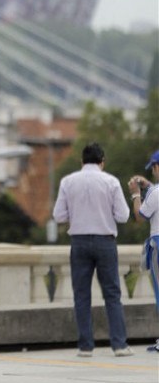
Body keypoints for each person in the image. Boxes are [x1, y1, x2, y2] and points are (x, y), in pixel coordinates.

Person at [52, 142, 133, 357]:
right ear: (102, 162)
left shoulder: (67, 182)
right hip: (105, 241)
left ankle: (85, 346)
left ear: (81, 161)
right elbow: (123, 216)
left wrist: (78, 214)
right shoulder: (111, 182)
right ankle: (119, 345)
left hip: (78, 241)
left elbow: (58, 216)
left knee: (81, 294)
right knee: (112, 294)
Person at [128, 149, 159, 352]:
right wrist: (148, 186)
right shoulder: (155, 190)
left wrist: (136, 194)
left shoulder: (156, 193)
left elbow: (141, 215)